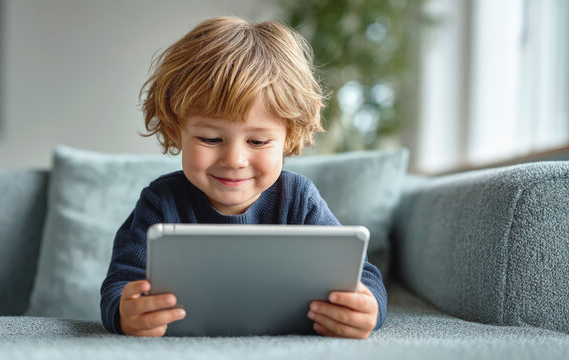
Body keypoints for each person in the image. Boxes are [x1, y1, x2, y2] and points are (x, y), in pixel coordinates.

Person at [100, 16, 386, 339]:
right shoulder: (159, 202)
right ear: (175, 129)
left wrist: (368, 307)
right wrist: (126, 315)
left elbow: (364, 276)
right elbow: (119, 286)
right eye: (210, 139)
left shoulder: (299, 199)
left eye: (258, 141)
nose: (234, 160)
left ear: (288, 136)